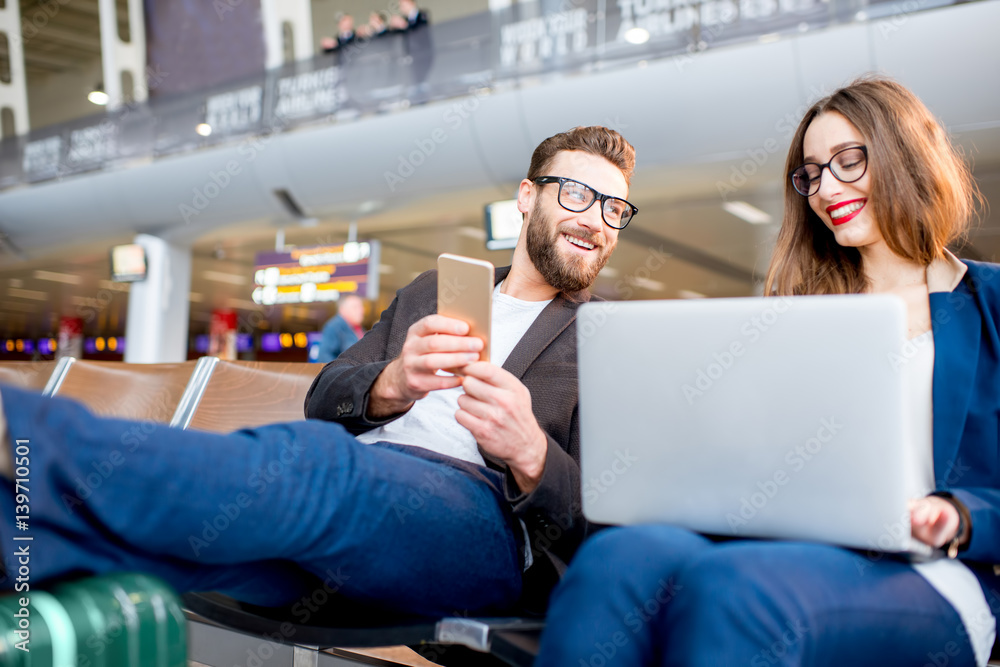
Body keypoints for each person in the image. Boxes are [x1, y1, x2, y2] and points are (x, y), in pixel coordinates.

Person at [0, 126, 637, 618]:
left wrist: (531, 453)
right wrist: (391, 385)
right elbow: (325, 396)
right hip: (343, 520)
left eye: (616, 209)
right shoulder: (427, 292)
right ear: (527, 197)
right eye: (578, 194)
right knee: (154, 557)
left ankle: (22, 429)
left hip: (477, 523)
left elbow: (610, 526)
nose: (596, 220)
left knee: (313, 465)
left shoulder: (615, 338)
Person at [536, 77, 1000, 666]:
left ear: (907, 154)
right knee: (617, 559)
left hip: (939, 571)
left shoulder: (990, 305)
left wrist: (960, 514)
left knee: (737, 591)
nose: (826, 187)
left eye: (848, 161)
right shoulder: (799, 315)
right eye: (811, 173)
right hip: (790, 546)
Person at [316, 293, 365, 363]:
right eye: (355, 307)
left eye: (361, 307)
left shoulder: (359, 329)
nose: (361, 310)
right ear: (342, 310)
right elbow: (324, 357)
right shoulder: (334, 327)